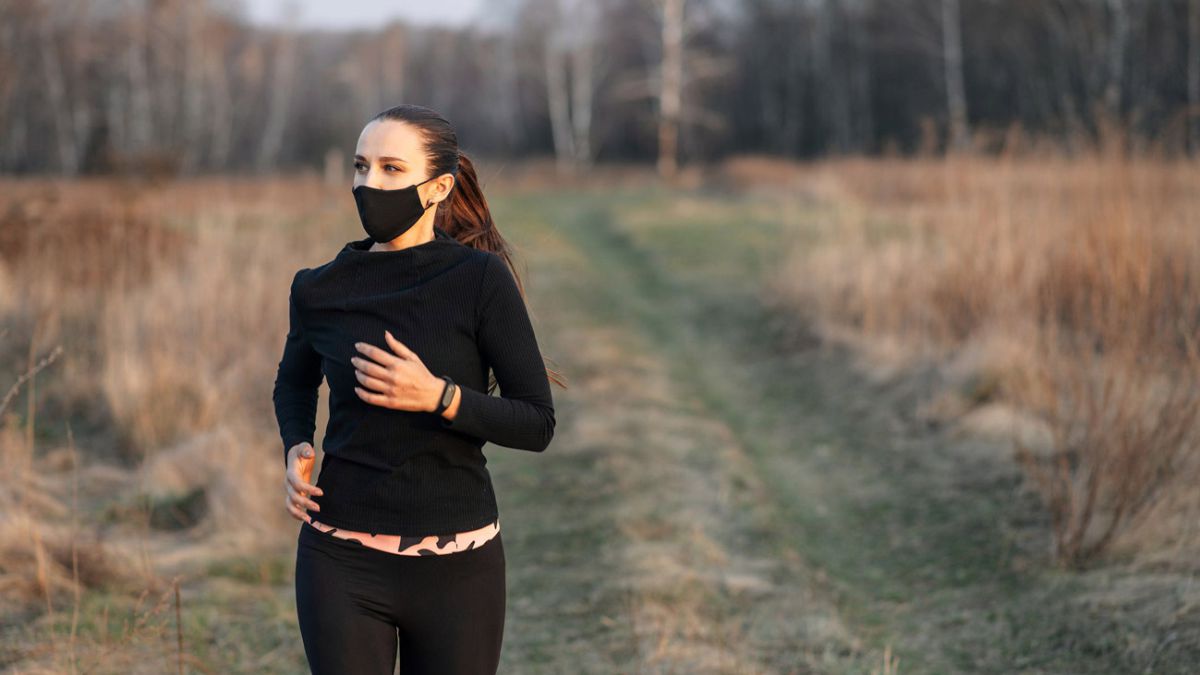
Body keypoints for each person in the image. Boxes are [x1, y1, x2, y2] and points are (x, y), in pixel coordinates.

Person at [272, 103, 564, 675]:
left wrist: (441, 397)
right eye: (360, 167)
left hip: (459, 567)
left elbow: (537, 423)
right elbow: (293, 380)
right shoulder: (318, 289)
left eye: (390, 169)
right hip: (339, 561)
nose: (369, 184)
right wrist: (295, 443)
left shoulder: (479, 282)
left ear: (438, 188)